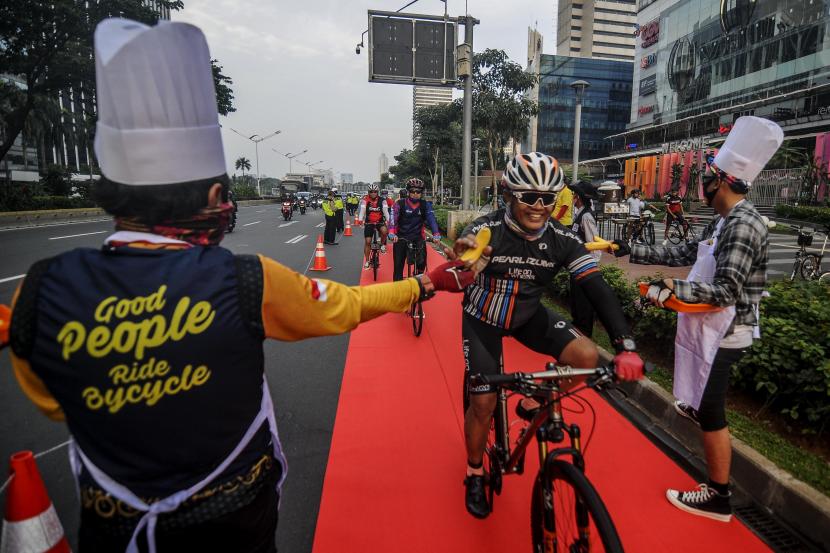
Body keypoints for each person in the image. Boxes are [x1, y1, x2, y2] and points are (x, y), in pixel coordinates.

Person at [1, 19, 477, 553]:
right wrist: (423, 284)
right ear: (211, 195)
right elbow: (346, 306)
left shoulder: (37, 294)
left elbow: (54, 403)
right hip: (235, 519)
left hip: (114, 527)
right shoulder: (247, 279)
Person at [453, 152, 644, 519]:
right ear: (509, 194)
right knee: (482, 404)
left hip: (527, 317)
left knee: (587, 356)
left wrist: (625, 345)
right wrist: (467, 259)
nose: (538, 206)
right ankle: (475, 471)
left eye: (548, 198)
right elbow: (469, 254)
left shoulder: (562, 238)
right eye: (529, 196)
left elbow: (595, 286)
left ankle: (537, 400)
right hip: (483, 320)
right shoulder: (488, 229)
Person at [610, 116, 782, 523]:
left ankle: (719, 497)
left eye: (706, 176)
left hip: (727, 330)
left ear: (721, 181)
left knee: (710, 411)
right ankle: (717, 486)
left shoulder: (743, 224)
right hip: (711, 327)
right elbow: (685, 252)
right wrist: (625, 247)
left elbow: (725, 290)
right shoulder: (724, 220)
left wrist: (669, 292)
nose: (699, 184)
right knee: (705, 408)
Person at [388, 178, 442, 281]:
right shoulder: (399, 204)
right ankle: (397, 289)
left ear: (421, 193)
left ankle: (418, 279)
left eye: (418, 191)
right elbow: (393, 219)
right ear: (408, 191)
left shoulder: (425, 205)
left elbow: (431, 219)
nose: (415, 193)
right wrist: (391, 233)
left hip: (418, 237)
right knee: (398, 267)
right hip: (401, 237)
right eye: (412, 191)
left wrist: (436, 233)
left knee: (422, 264)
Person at [568, 180, 603, 337]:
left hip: (585, 267)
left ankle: (584, 331)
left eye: (574, 195)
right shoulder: (579, 214)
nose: (573, 198)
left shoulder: (586, 216)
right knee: (575, 298)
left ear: (579, 198)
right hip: (576, 264)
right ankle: (576, 325)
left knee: (583, 301)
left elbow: (593, 243)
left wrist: (591, 267)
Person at [357, 184, 390, 268]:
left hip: (380, 221)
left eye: (375, 192)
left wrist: (389, 221)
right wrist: (360, 220)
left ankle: (382, 244)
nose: (373, 193)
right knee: (368, 242)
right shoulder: (365, 200)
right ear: (368, 192)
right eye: (371, 192)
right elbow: (362, 211)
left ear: (377, 192)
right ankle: (367, 261)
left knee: (384, 231)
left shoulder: (383, 200)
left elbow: (386, 212)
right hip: (369, 223)